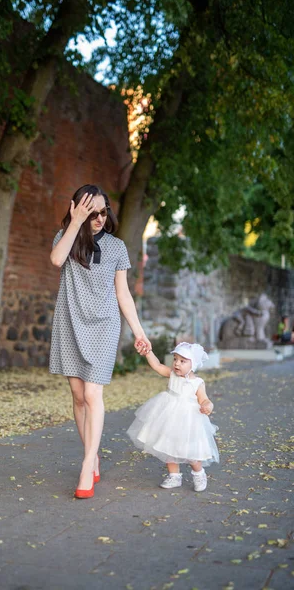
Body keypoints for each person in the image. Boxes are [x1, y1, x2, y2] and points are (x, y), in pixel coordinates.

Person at [49, 184, 151, 499]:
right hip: (70, 322)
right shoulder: (65, 238)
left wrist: (138, 330)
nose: (98, 219)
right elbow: (55, 260)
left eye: (103, 213)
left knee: (93, 394)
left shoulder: (117, 247)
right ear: (77, 210)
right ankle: (93, 455)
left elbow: (123, 293)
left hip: (104, 325)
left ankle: (86, 464)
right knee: (78, 396)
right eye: (92, 213)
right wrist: (75, 222)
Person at [127, 342, 219, 492]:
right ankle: (174, 476)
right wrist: (148, 353)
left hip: (188, 421)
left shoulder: (197, 383)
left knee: (191, 452)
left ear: (193, 364)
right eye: (175, 359)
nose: (176, 363)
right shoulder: (171, 374)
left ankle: (198, 473)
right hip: (168, 416)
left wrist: (207, 406)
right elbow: (157, 366)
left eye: (183, 361)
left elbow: (204, 399)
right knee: (168, 447)